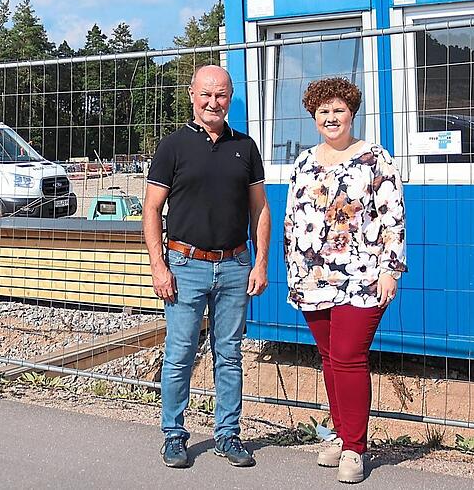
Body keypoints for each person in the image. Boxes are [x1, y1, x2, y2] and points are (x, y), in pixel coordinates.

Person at [143, 65, 271, 469]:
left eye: (221, 95)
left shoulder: (246, 147)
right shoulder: (173, 146)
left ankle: (228, 434)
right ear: (192, 96)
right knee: (180, 353)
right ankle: (174, 435)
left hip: (235, 265)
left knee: (229, 354)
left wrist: (261, 261)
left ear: (230, 97)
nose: (213, 102)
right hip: (185, 265)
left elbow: (260, 208)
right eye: (206, 94)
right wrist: (158, 266)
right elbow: (151, 208)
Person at [284, 77, 407, 484]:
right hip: (313, 276)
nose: (331, 117)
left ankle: (355, 447)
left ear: (352, 113)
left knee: (350, 357)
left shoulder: (375, 159)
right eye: (323, 112)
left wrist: (391, 268)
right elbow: (293, 217)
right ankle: (339, 434)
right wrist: (293, 269)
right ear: (313, 117)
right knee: (329, 358)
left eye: (338, 110)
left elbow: (392, 216)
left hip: (363, 277)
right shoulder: (304, 162)